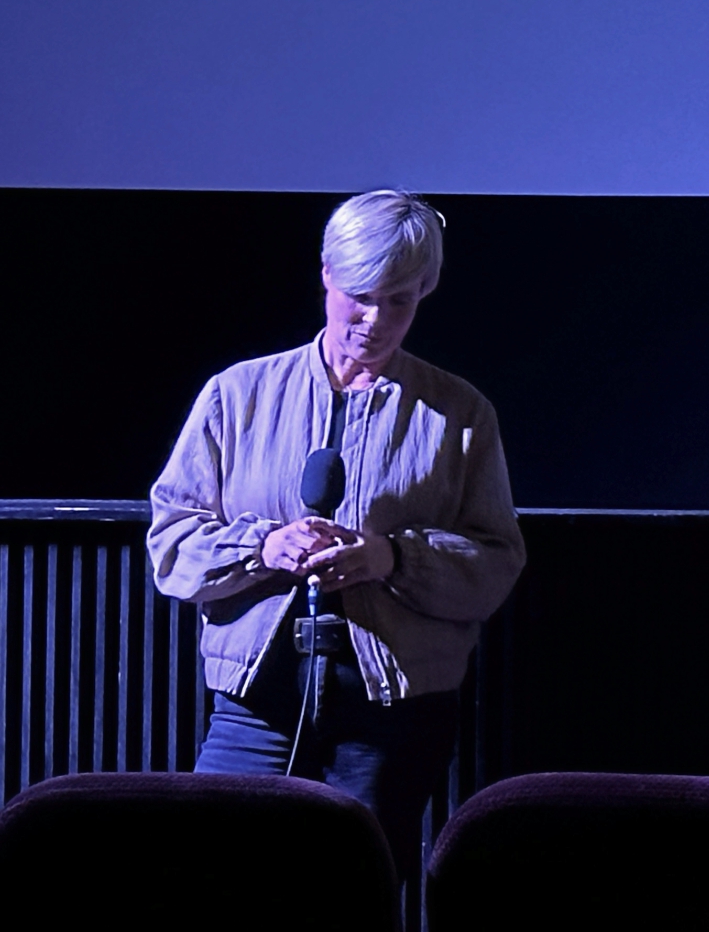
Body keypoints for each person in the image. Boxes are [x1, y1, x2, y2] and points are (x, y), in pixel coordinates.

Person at [148, 190, 525, 886]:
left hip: (393, 718)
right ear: (325, 272)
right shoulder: (238, 395)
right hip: (252, 706)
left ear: (427, 292)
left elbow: (497, 563)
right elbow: (171, 544)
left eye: (401, 301)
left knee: (351, 901)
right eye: (360, 295)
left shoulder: (460, 414)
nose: (375, 321)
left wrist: (393, 557)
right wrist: (262, 547)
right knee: (210, 885)